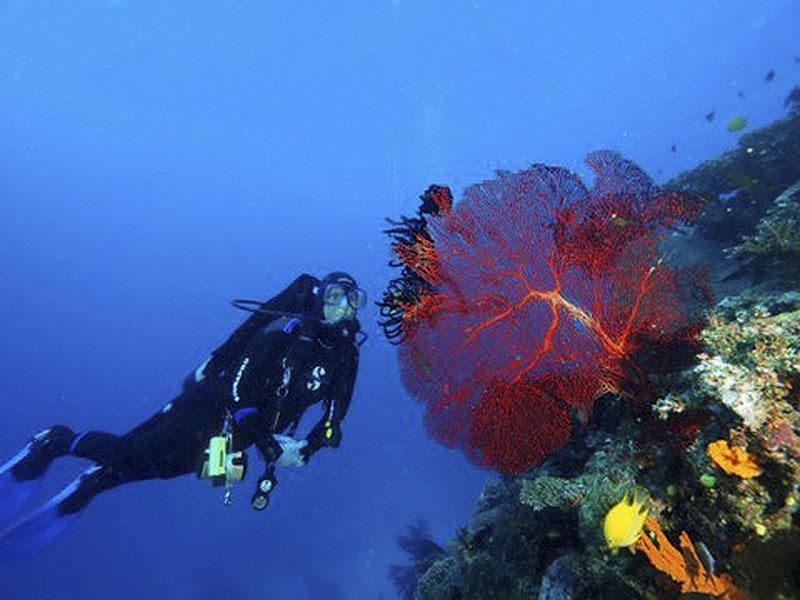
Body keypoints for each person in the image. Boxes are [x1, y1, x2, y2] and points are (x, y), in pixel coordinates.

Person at [0, 271, 366, 558]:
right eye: (334, 298)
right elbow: (237, 390)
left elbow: (334, 420)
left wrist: (307, 449)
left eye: (352, 301)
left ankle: (96, 482)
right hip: (207, 408)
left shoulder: (346, 356)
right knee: (130, 453)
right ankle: (56, 442)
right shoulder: (287, 332)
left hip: (238, 437)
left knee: (159, 468)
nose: (343, 309)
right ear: (318, 299)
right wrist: (268, 445)